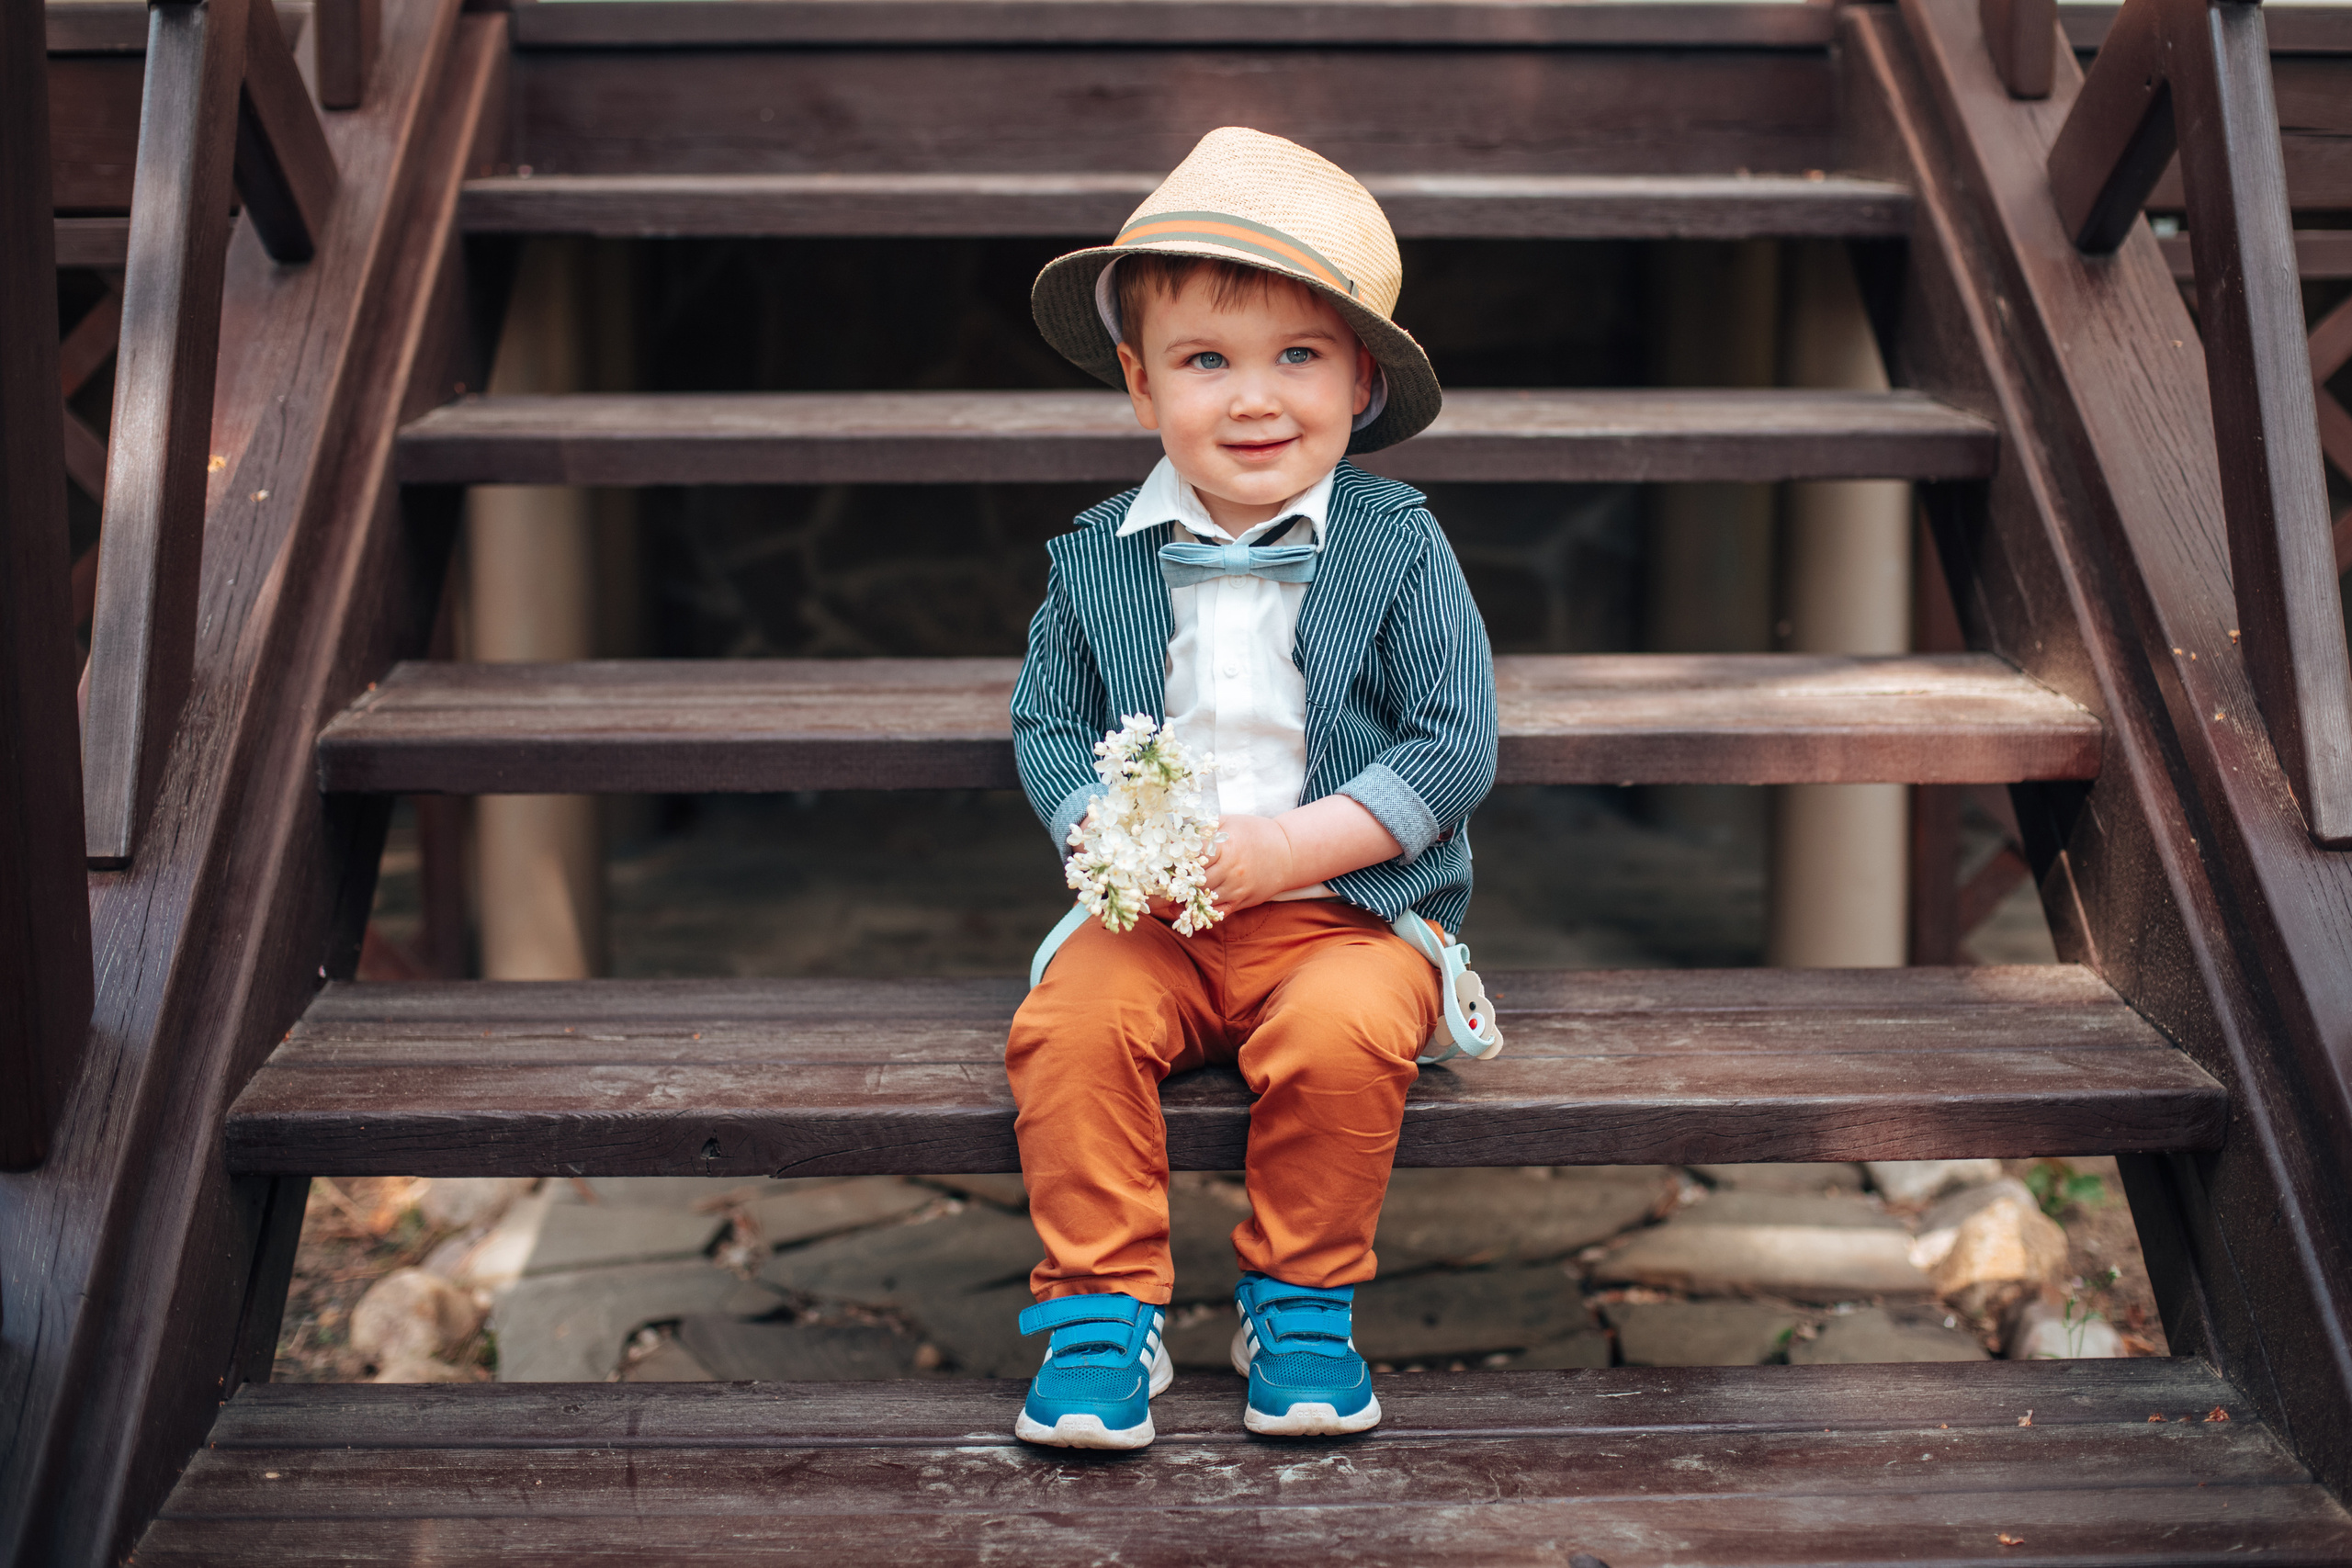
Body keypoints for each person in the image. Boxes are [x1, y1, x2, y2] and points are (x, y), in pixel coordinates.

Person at [1005, 127, 1498, 1450]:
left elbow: (1454, 747)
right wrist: (1090, 819)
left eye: (1298, 356)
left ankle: (1301, 1301)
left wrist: (1294, 849)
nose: (1254, 397)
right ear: (1139, 381)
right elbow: (1046, 723)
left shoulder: (1399, 548)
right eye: (1206, 361)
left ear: (1360, 382)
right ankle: (1102, 1309)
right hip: (1157, 922)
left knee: (1343, 1039)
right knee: (1069, 1031)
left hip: (1346, 913)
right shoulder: (1096, 558)